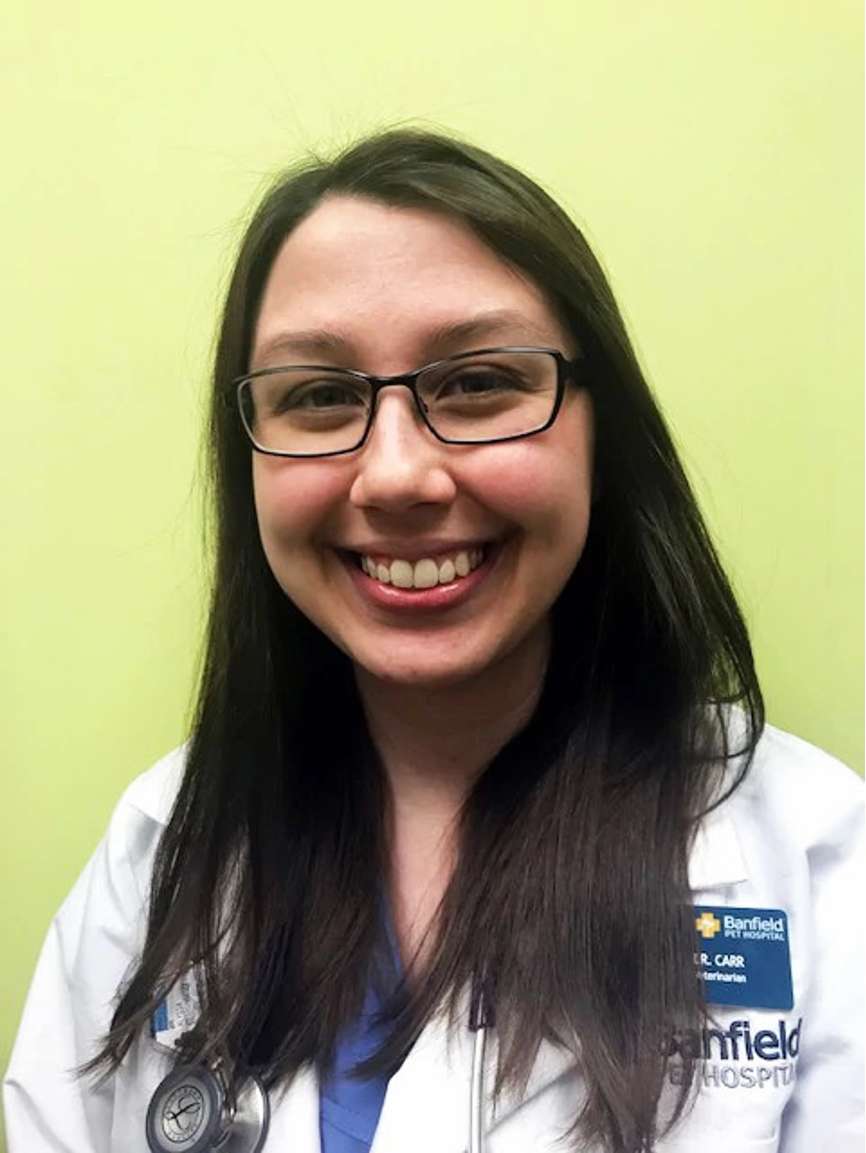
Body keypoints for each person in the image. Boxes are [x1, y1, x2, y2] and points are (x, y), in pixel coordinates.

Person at [3, 128, 863, 1153]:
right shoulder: (162, 850)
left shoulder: (815, 858)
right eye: (320, 396)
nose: (398, 475)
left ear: (601, 433)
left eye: (478, 382)